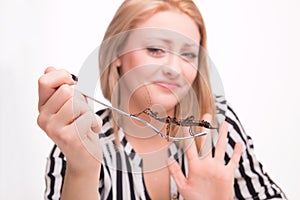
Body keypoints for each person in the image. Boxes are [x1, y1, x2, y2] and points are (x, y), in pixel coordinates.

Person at [37, 0, 286, 199]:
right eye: (156, 49)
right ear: (117, 54)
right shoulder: (77, 144)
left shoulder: (216, 125)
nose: (175, 68)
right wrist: (83, 168)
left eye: (188, 54)